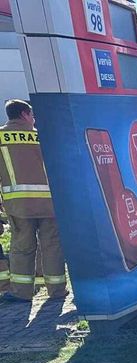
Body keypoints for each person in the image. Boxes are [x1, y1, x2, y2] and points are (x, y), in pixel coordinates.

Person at [0, 99, 67, 303]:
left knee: (22, 247)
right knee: (52, 246)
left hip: (18, 205)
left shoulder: (1, 137)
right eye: (31, 114)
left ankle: (22, 292)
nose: (34, 118)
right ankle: (57, 291)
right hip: (49, 203)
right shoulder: (43, 136)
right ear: (24, 115)